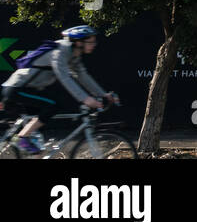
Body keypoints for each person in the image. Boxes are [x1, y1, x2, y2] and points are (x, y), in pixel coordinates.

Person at [0, 25, 118, 154]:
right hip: (17, 88)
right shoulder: (60, 52)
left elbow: (83, 76)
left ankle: (28, 144)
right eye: (90, 42)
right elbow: (64, 78)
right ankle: (21, 137)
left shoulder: (74, 55)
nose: (94, 44)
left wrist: (103, 94)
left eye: (94, 41)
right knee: (54, 105)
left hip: (30, 88)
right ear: (78, 42)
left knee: (40, 129)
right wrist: (86, 99)